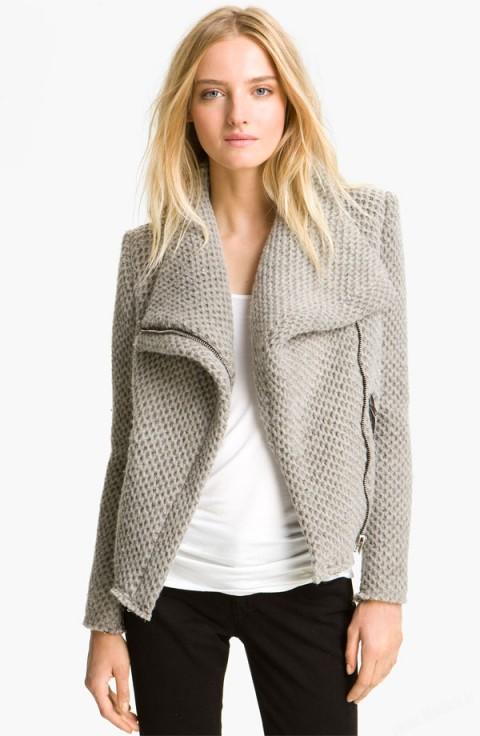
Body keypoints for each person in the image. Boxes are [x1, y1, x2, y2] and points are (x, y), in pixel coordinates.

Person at [83, 6, 412, 736]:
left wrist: (385, 589)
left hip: (307, 580)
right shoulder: (149, 255)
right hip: (167, 588)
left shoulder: (360, 228)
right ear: (187, 111)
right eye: (213, 92)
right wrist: (106, 617)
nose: (239, 114)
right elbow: (127, 446)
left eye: (261, 90)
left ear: (289, 102)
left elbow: (388, 421)